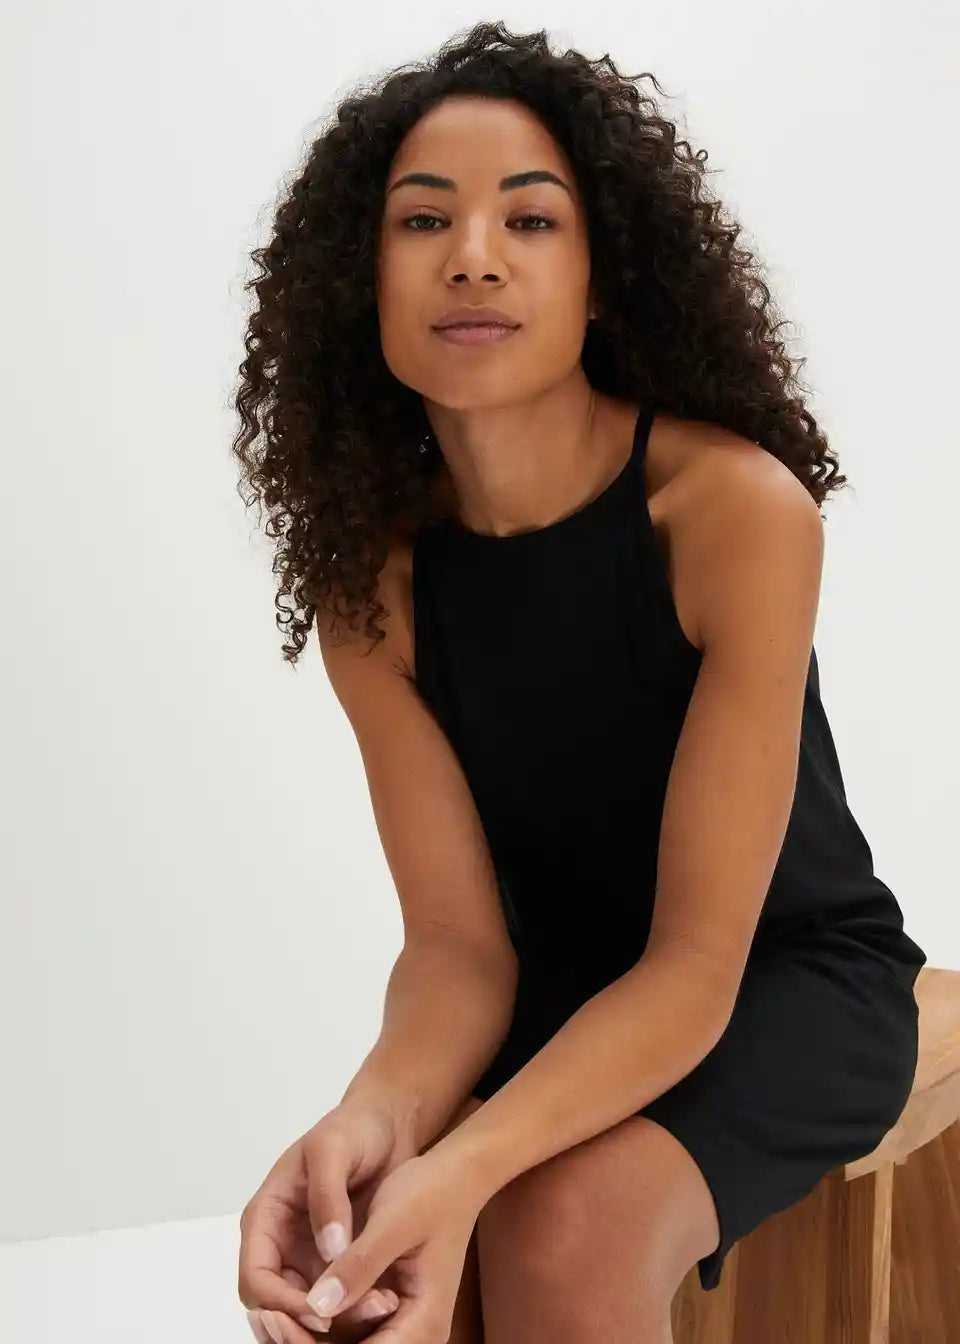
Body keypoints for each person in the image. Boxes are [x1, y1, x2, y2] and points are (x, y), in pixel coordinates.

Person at [234, 21, 928, 1344]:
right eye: (422, 220)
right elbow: (457, 949)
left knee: (555, 1225)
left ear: (605, 277)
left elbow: (697, 965)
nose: (473, 255)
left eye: (531, 219)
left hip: (783, 980)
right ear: (358, 283)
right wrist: (373, 1117)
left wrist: (468, 1166)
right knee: (366, 1242)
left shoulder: (731, 511)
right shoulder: (372, 585)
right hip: (555, 994)